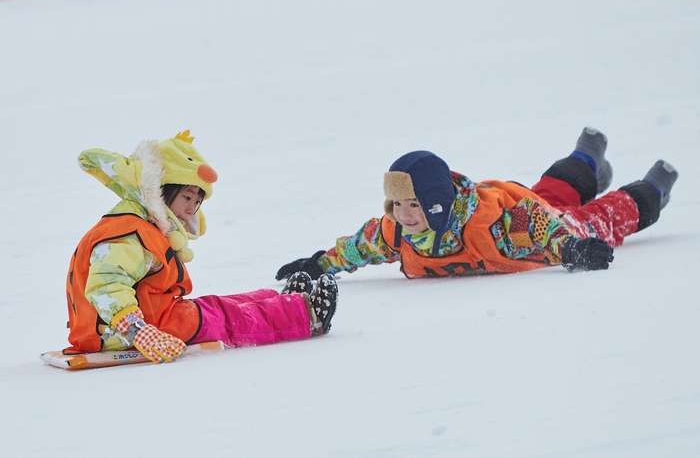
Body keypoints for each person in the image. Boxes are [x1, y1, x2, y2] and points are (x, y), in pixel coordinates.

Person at [65, 130, 337, 364]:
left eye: (197, 201)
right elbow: (105, 286)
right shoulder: (129, 233)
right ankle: (306, 315)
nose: (191, 208)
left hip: (152, 318)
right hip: (124, 332)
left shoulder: (144, 225)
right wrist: (140, 331)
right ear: (161, 190)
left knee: (216, 305)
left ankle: (284, 301)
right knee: (224, 318)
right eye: (186, 197)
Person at [276, 127, 679, 280]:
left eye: (413, 204)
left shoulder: (494, 227)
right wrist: (320, 264)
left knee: (592, 219)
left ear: (436, 205)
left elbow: (540, 225)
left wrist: (572, 248)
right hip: (527, 204)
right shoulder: (397, 231)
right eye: (396, 204)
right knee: (551, 192)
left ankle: (651, 190)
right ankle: (588, 159)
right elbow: (360, 246)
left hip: (541, 229)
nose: (403, 215)